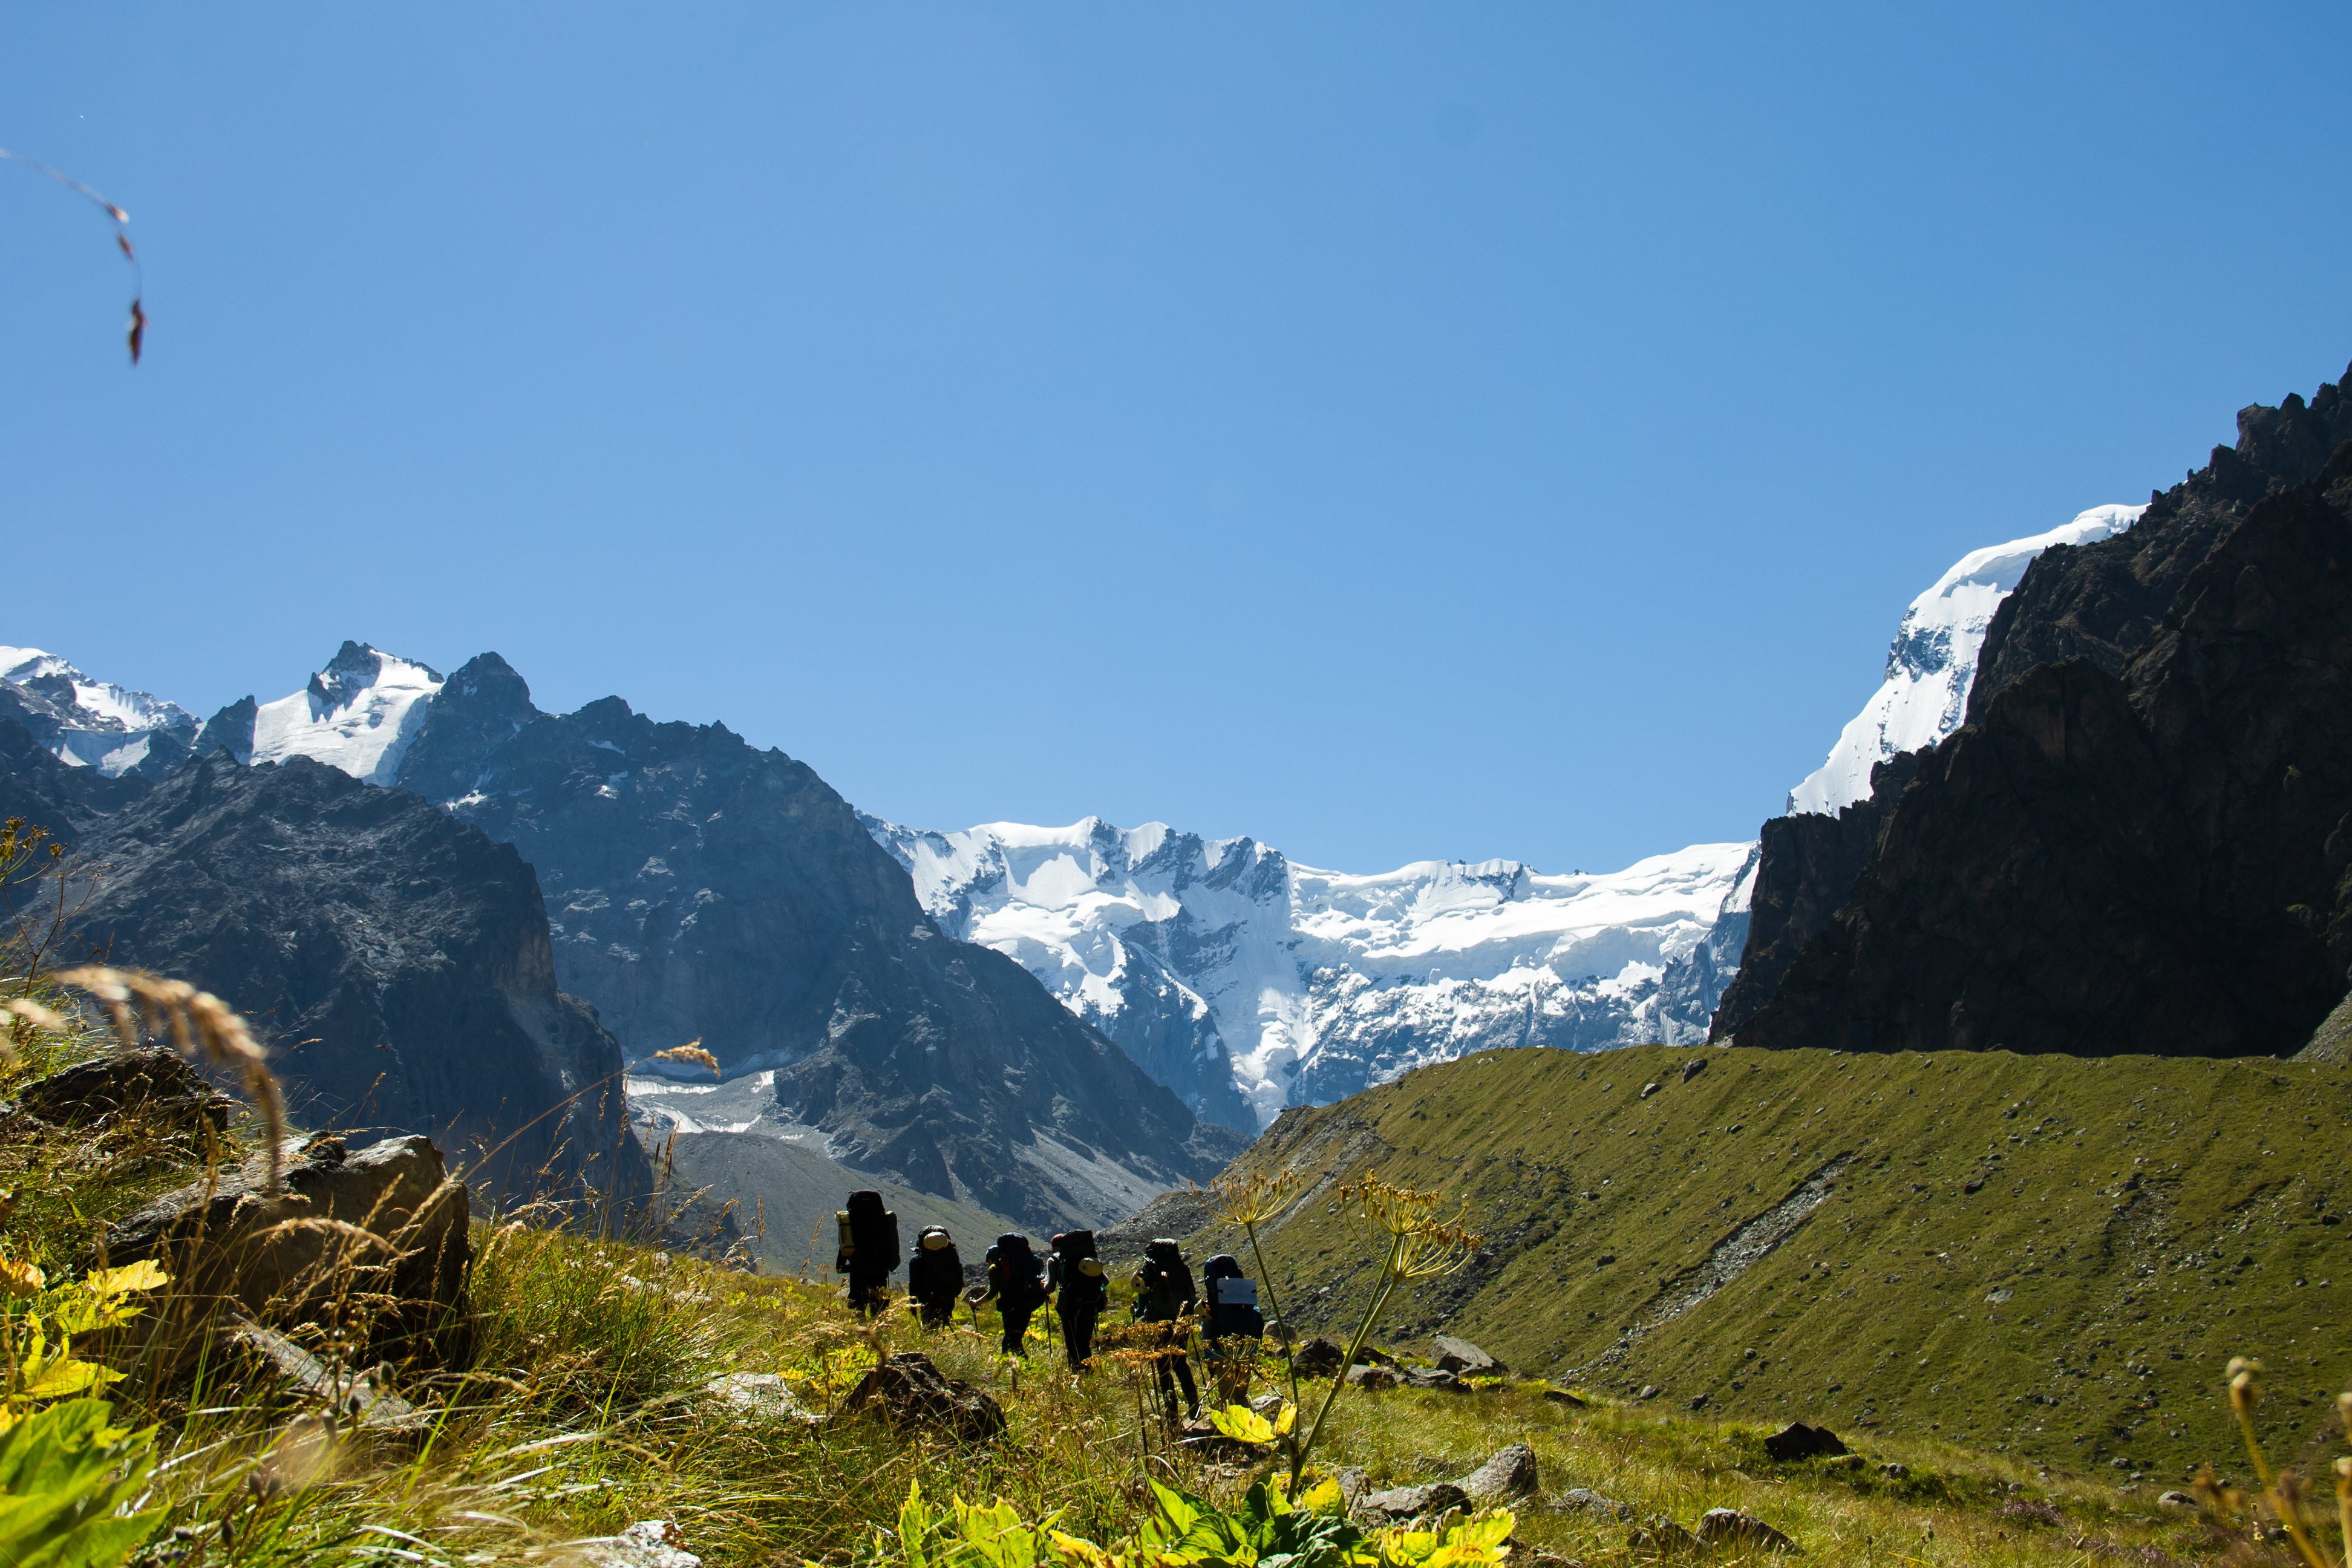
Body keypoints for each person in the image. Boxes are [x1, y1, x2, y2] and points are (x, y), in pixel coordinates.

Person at [1132, 1237, 1200, 1423]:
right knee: (1180, 1362)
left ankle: (1172, 1412)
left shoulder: (1151, 1270)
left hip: (1159, 1325)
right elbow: (1192, 1297)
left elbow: (1142, 1307)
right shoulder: (1183, 1270)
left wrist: (1138, 1312)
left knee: (1163, 1367)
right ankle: (1193, 1400)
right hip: (1181, 1324)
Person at [1200, 1253, 1265, 1407]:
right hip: (1247, 1348)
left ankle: (1229, 1426)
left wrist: (1208, 1356)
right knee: (1241, 1394)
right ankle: (1244, 1422)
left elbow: (1207, 1329)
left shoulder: (1213, 1302)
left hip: (1223, 1349)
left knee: (1227, 1399)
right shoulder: (1245, 1295)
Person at [834, 1189, 902, 1319]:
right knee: (879, 1310)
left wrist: (846, 1267)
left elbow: (845, 1248)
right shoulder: (884, 1222)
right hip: (880, 1271)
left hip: (858, 1272)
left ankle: (860, 1335)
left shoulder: (851, 1224)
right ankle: (879, 1334)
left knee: (858, 1309)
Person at [1047, 1230, 1109, 1371]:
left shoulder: (1055, 1260)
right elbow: (1105, 1281)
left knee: (1072, 1342)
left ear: (1057, 1247)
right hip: (1092, 1303)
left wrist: (1042, 1285)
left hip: (1069, 1306)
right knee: (1085, 1341)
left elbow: (1050, 1288)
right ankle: (1089, 1371)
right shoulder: (1088, 1258)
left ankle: (1077, 1372)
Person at [982, 1231, 1049, 1356]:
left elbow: (992, 1293)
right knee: (1016, 1339)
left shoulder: (995, 1269)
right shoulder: (1022, 1265)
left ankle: (1011, 1367)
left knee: (1009, 1341)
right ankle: (1022, 1366)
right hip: (1028, 1302)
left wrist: (975, 1303)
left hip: (1011, 1305)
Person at [907, 1225, 963, 1328]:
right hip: (947, 1299)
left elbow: (913, 1286)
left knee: (929, 1329)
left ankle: (932, 1342)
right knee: (938, 1325)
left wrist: (913, 1304)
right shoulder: (949, 1258)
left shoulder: (916, 1261)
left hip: (927, 1300)